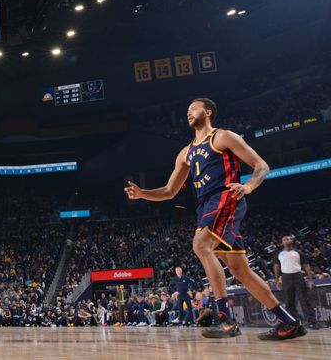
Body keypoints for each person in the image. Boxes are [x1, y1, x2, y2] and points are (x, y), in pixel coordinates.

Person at [125, 98, 306, 340]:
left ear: (207, 112)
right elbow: (169, 191)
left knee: (200, 245)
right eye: (187, 109)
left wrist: (249, 186)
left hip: (224, 196)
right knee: (240, 269)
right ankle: (288, 321)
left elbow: (261, 166)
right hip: (205, 206)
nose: (188, 112)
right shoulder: (185, 153)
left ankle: (225, 319)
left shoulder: (223, 137)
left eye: (193, 108)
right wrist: (143, 194)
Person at [274, 235, 318, 329]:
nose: (286, 240)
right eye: (284, 239)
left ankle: (312, 322)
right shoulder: (279, 254)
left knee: (304, 299)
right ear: (282, 242)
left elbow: (306, 266)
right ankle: (295, 322)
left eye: (288, 239)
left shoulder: (298, 252)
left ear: (292, 241)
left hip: (298, 276)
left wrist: (310, 280)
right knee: (289, 302)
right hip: (286, 277)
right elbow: (277, 267)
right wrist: (277, 281)